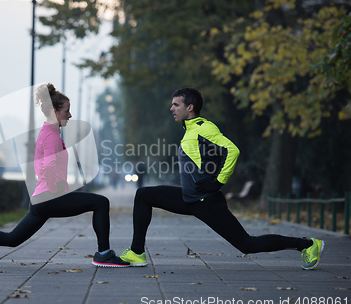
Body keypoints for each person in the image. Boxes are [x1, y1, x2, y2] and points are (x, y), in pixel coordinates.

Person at [119, 87, 324, 270]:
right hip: (188, 198)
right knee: (144, 195)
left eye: (176, 105)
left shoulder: (203, 128)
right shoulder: (190, 130)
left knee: (247, 244)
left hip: (205, 202)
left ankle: (307, 244)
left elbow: (232, 150)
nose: (171, 109)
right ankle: (137, 252)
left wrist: (218, 181)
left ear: (190, 107)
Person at [0, 83, 129, 268]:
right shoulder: (52, 136)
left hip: (41, 198)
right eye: (67, 111)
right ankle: (104, 254)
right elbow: (49, 163)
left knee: (12, 238)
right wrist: (54, 187)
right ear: (55, 112)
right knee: (101, 202)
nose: (70, 115)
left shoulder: (47, 132)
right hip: (50, 196)